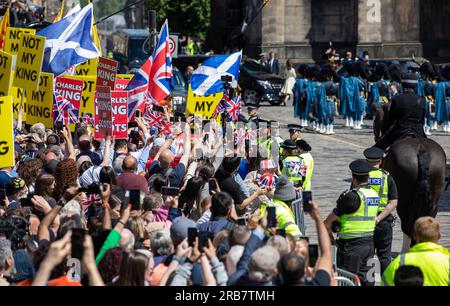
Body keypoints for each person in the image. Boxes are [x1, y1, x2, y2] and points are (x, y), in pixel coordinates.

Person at [324, 159, 380, 286]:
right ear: (368, 176)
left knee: (348, 281)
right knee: (367, 281)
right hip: (369, 244)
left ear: (353, 178)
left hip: (351, 246)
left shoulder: (352, 197)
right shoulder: (373, 194)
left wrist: (328, 231)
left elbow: (330, 220)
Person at [382, 217, 450, 286]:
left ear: (415, 236)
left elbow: (386, 282)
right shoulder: (447, 262)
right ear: (439, 236)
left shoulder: (400, 262)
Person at [364, 147, 398, 274]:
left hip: (365, 220)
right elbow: (393, 202)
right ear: (381, 161)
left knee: (368, 256)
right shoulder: (387, 177)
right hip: (383, 221)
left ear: (366, 160)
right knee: (384, 256)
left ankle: (369, 281)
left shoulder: (361, 175)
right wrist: (378, 218)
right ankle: (386, 282)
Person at [374, 73, 427, 151]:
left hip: (400, 131)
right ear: (415, 86)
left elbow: (390, 120)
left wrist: (384, 133)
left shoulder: (397, 99)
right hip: (418, 132)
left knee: (375, 150)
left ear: (403, 85)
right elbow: (422, 120)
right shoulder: (422, 100)